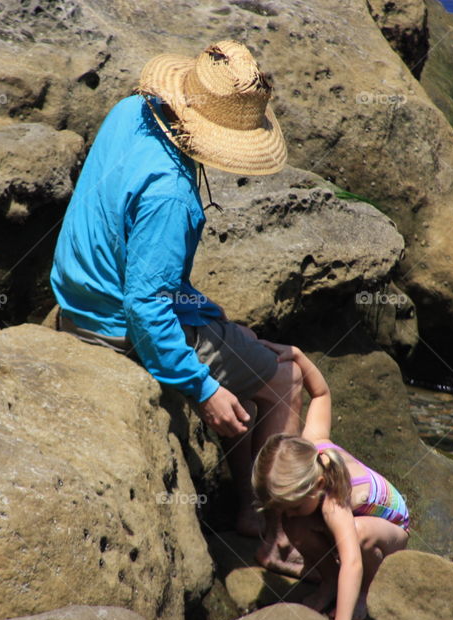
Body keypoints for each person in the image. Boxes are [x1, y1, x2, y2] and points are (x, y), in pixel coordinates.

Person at [49, 40, 303, 574]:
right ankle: (275, 530)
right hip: (116, 324)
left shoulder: (132, 109)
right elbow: (147, 307)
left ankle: (247, 504)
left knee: (239, 345)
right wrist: (203, 388)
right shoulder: (172, 196)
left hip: (78, 293)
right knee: (286, 376)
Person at [252, 340, 410, 620]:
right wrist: (298, 355)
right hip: (346, 517)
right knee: (294, 525)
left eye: (294, 504)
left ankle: (365, 592)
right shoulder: (311, 442)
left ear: (319, 484)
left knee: (358, 535)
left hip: (391, 529)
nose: (287, 513)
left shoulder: (333, 501)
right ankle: (329, 581)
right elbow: (321, 393)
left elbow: (351, 559)